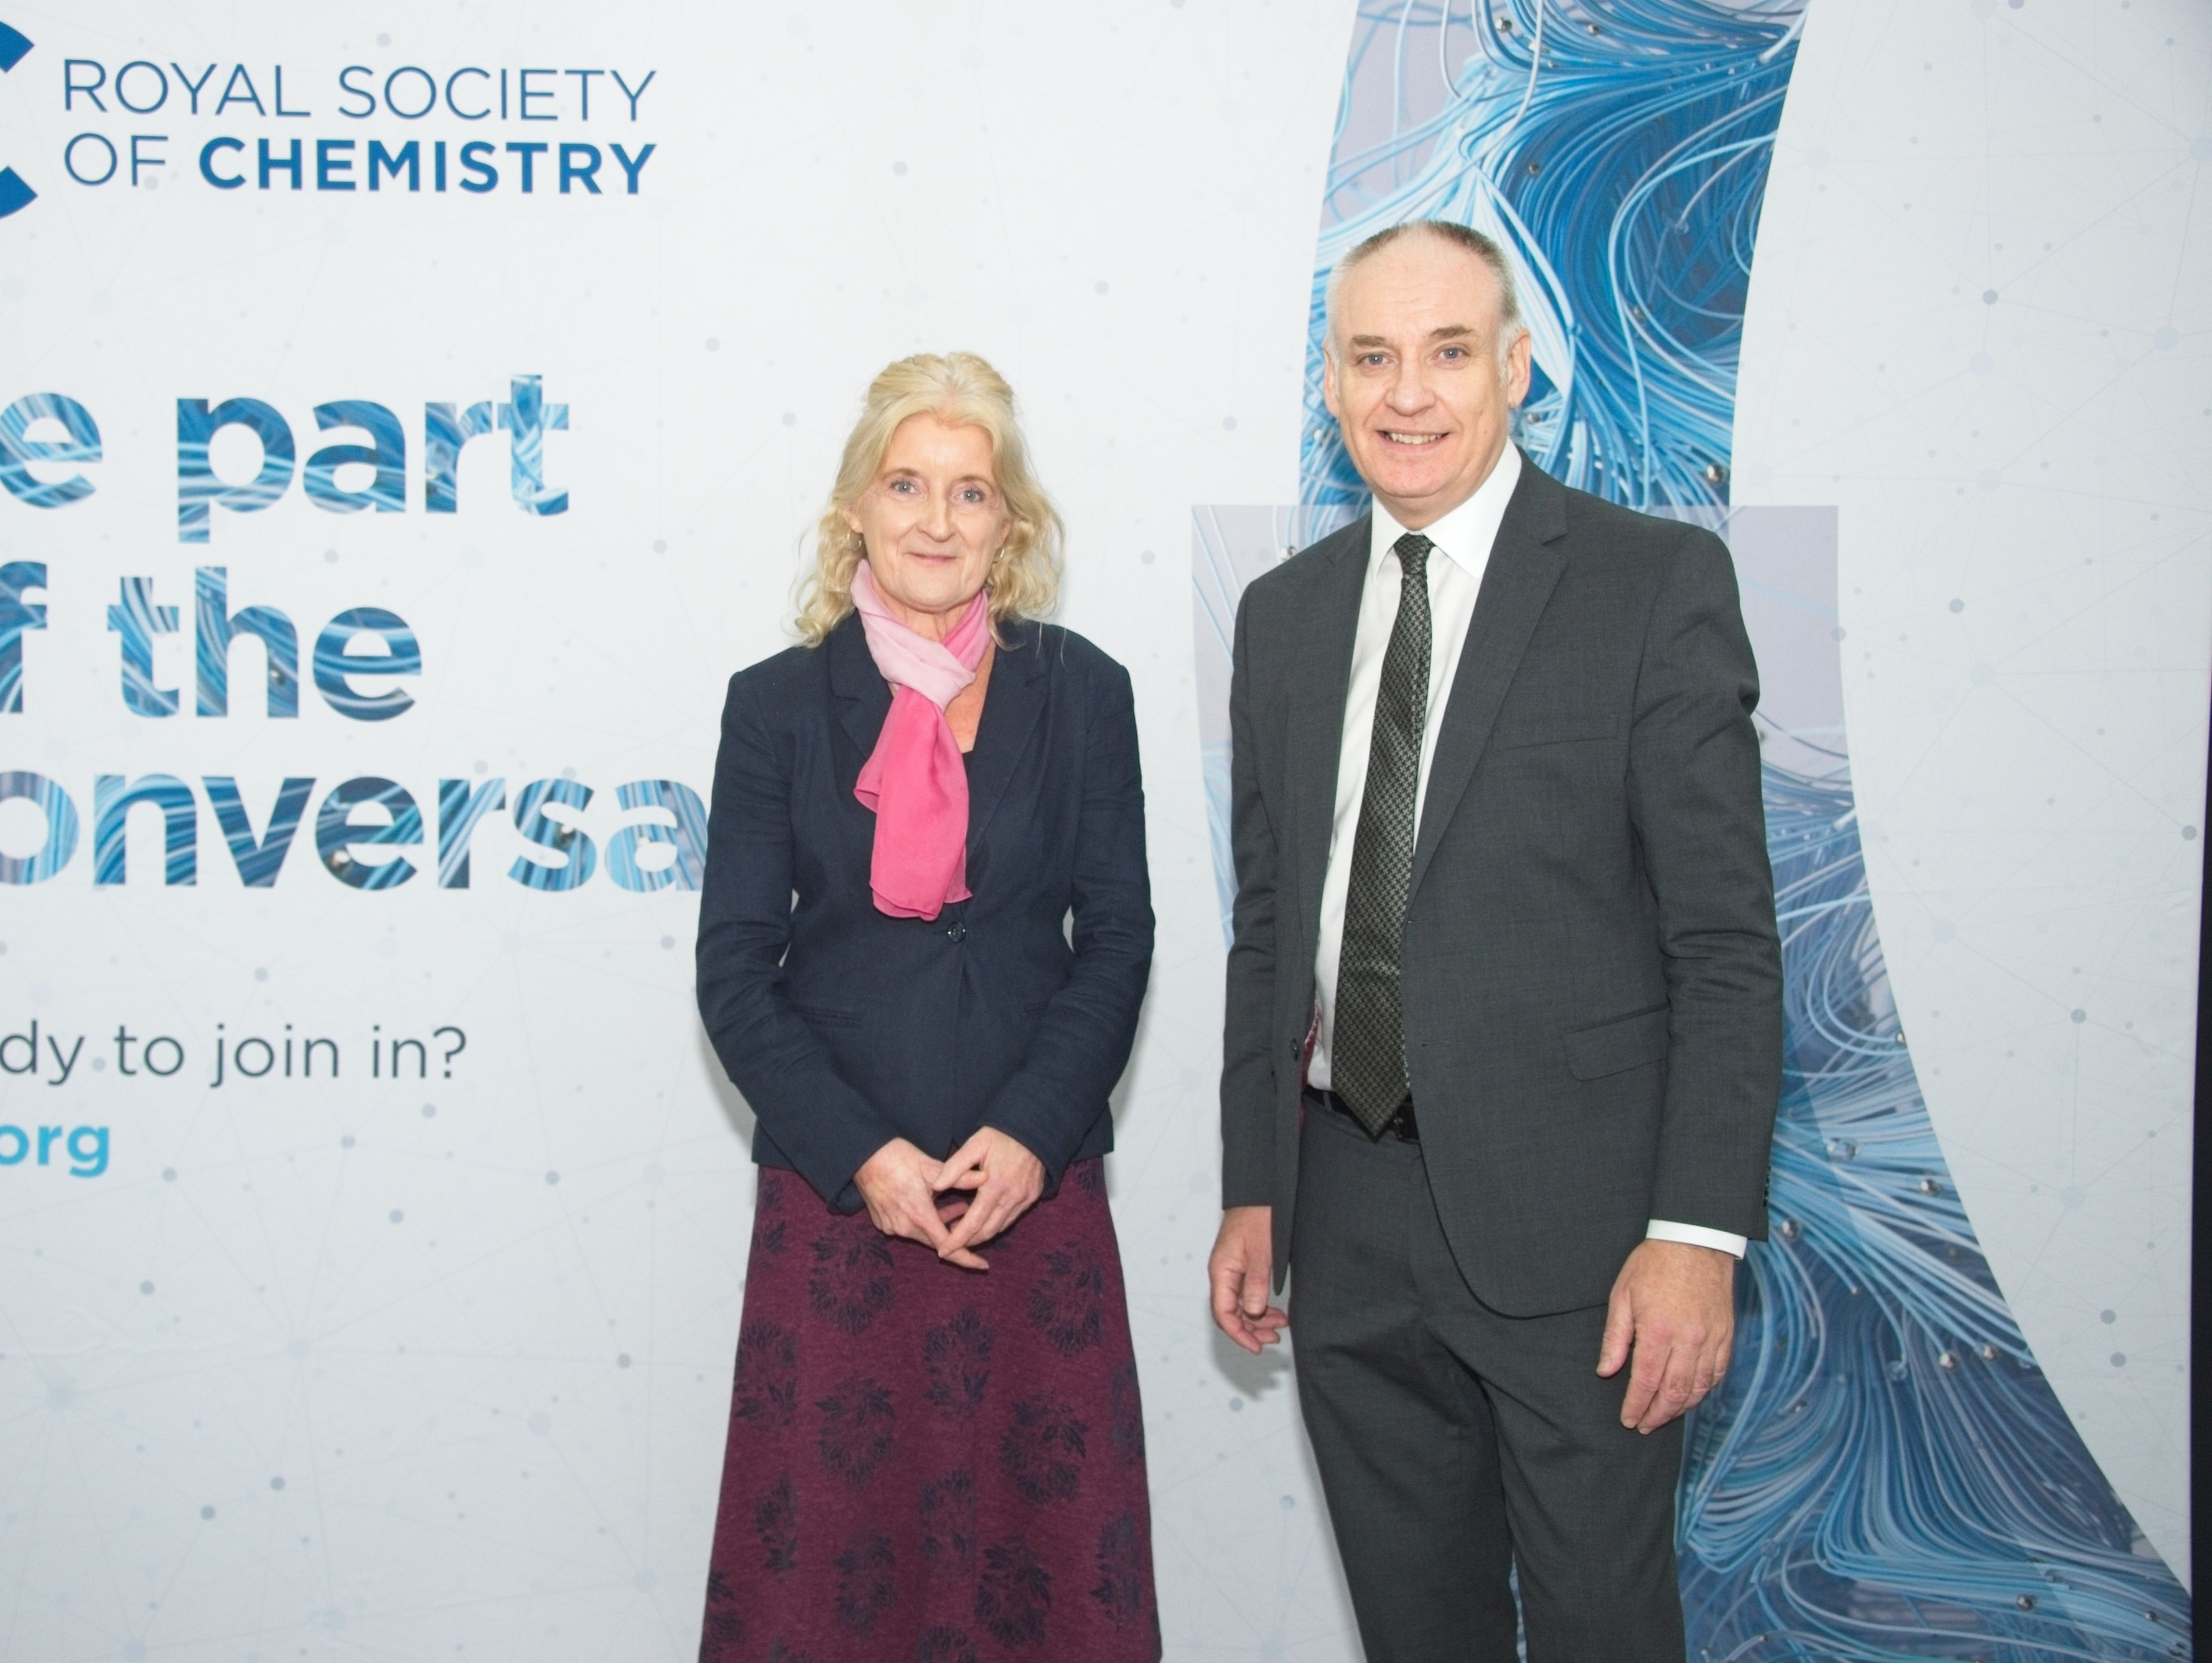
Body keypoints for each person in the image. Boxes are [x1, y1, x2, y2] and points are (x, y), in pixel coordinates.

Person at [1206, 221, 1781, 1662]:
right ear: (1331, 388)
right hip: (1344, 1214)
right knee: (1417, 1635)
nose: (1409, 394)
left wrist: (1695, 1236)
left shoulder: (1652, 585)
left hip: (1587, 1247)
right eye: (1372, 358)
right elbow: (1271, 934)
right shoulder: (1281, 618)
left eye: (1448, 352)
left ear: (1517, 367)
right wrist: (1255, 1187)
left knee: (1602, 1631)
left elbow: (1725, 945)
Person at [695, 352, 1162, 1663]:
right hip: (839, 1204)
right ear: (856, 504)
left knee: (1050, 1562)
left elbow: (1116, 939)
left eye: (971, 492)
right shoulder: (776, 709)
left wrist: (1032, 1132)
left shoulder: (1084, 692)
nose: (936, 521)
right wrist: (860, 1158)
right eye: (908, 484)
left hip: (1035, 1194)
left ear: (1010, 524)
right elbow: (735, 970)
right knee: (831, 1566)